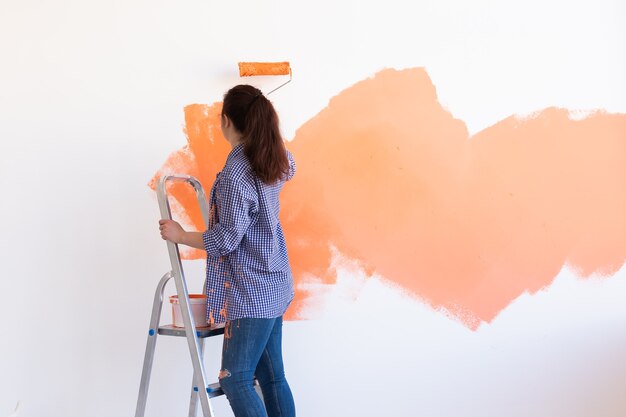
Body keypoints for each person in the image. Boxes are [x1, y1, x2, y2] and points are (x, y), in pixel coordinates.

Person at [158, 84, 297, 417]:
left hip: (251, 292)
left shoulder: (237, 173)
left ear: (226, 121)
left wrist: (180, 235)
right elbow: (289, 167)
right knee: (272, 377)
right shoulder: (274, 157)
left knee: (235, 380)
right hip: (275, 284)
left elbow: (225, 240)